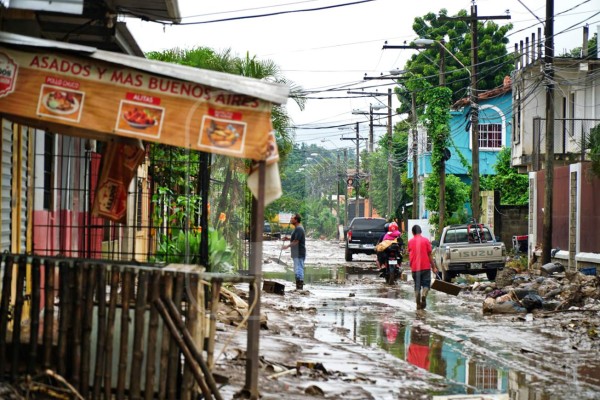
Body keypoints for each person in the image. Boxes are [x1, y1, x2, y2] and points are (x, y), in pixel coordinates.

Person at [407, 224, 437, 310]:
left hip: (415, 268)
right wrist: (434, 267)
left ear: (413, 233)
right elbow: (430, 255)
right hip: (425, 267)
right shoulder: (426, 241)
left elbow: (409, 252)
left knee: (417, 285)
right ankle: (424, 294)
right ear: (421, 232)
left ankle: (418, 304)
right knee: (426, 284)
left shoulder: (410, 242)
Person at [283, 213, 306, 290]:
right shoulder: (297, 228)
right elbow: (295, 239)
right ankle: (299, 288)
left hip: (299, 253)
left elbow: (296, 241)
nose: (290, 219)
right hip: (296, 253)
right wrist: (288, 239)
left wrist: (287, 246)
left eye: (292, 218)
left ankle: (299, 287)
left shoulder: (299, 228)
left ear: (296, 220)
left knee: (299, 270)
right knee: (297, 269)